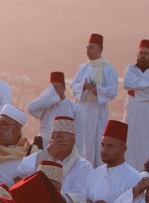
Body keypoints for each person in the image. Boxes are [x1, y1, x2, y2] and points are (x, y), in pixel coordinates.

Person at [16, 115, 93, 199]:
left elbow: (77, 197)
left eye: (59, 137)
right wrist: (47, 152)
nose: (54, 141)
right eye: (52, 137)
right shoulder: (44, 158)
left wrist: (48, 197)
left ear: (72, 142)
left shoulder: (83, 166)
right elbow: (22, 170)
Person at [71, 33, 119, 165]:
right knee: (81, 142)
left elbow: (112, 91)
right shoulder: (83, 68)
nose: (88, 51)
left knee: (96, 144)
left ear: (99, 49)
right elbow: (73, 86)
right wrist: (83, 86)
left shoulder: (108, 69)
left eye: (91, 47)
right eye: (87, 47)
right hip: (82, 110)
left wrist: (97, 89)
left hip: (97, 111)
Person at [83, 120, 142, 203]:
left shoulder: (135, 179)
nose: (104, 150)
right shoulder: (94, 174)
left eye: (110, 146)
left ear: (124, 148)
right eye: (102, 145)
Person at [26, 71, 78, 142]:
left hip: (63, 143)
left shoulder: (73, 107)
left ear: (64, 88)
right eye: (52, 87)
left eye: (57, 87)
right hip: (45, 142)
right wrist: (47, 99)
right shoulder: (45, 104)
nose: (54, 90)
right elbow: (30, 108)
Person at [123, 39, 149, 170]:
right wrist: (146, 84)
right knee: (130, 142)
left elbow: (134, 85)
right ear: (137, 54)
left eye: (146, 53)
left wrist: (138, 86)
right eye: (141, 53)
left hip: (146, 113)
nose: (143, 55)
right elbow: (127, 83)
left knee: (145, 142)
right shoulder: (130, 69)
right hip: (132, 112)